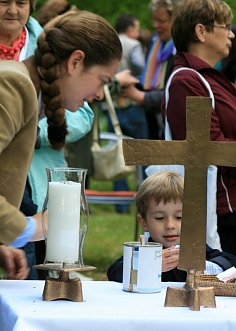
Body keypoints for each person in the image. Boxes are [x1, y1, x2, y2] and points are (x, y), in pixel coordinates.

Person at [0, 9, 122, 277]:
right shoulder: (14, 86)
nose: (100, 95)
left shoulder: (29, 91)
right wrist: (26, 228)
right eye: (102, 81)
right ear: (76, 62)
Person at [162, 0, 236, 256]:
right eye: (225, 26)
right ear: (201, 32)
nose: (231, 33)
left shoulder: (210, 77)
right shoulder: (187, 80)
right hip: (222, 212)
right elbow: (208, 151)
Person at [107, 172, 236, 283]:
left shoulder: (194, 247)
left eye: (179, 217)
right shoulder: (143, 249)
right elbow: (114, 272)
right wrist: (150, 265)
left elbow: (232, 262)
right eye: (159, 218)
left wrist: (203, 267)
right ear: (144, 222)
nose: (170, 225)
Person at [101, 13, 149, 214]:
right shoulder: (133, 44)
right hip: (132, 104)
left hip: (112, 106)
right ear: (130, 29)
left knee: (117, 155)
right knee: (145, 153)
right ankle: (148, 200)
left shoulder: (107, 42)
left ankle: (120, 205)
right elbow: (140, 66)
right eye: (136, 28)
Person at [122, 0, 179, 140]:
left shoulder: (182, 48)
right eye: (154, 20)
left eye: (161, 21)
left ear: (176, 19)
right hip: (153, 118)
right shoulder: (155, 42)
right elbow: (146, 77)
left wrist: (142, 97)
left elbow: (178, 92)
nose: (156, 25)